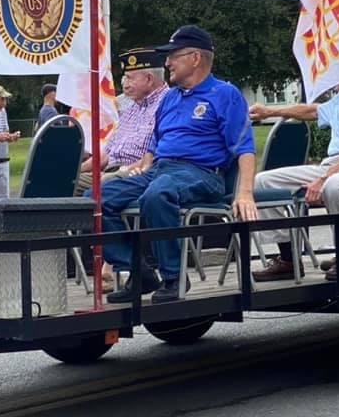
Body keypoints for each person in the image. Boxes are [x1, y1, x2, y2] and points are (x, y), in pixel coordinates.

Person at [91, 25, 257, 304]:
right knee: (94, 199)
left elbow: (245, 148)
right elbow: (155, 145)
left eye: (173, 56)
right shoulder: (170, 98)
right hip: (160, 169)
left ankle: (173, 276)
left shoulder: (224, 94)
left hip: (201, 173)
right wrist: (143, 166)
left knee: (158, 194)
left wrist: (245, 192)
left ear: (195, 58)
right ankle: (137, 269)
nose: (166, 62)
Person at [246, 62, 339, 282]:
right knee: (264, 182)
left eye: (337, 76)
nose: (332, 82)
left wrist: (324, 178)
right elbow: (310, 110)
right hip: (332, 165)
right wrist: (270, 111)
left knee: (335, 185)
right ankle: (289, 258)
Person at [76, 48, 170, 196]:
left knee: (73, 187)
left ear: (149, 79)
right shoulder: (131, 107)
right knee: (61, 179)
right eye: (125, 78)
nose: (125, 85)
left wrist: (121, 172)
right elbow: (107, 154)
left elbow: (157, 156)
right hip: (110, 172)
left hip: (135, 174)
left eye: (129, 78)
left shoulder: (169, 104)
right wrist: (76, 169)